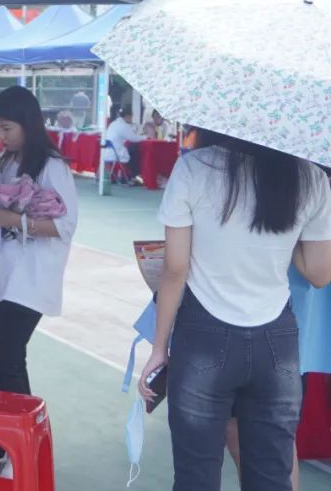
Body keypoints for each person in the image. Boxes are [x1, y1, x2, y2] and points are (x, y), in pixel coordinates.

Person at [138, 129, 331, 491]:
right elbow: (320, 274)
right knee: (272, 473)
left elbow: (175, 268)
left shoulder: (194, 168)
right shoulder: (311, 177)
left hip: (202, 337)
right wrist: (285, 235)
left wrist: (159, 348)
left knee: (196, 475)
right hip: (277, 340)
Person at [0, 85, 78, 472]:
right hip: (0, 274)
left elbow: (65, 226)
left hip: (30, 279)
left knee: (5, 356)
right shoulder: (8, 161)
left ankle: (18, 445)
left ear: (28, 123)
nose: (1, 135)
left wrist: (14, 220)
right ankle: (5, 442)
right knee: (3, 360)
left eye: (7, 127)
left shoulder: (53, 167)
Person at [104, 106, 145, 183]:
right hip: (116, 153)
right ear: (128, 116)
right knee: (134, 153)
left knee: (131, 150)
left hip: (107, 152)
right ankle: (130, 176)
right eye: (131, 117)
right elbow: (133, 138)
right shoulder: (123, 126)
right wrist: (145, 137)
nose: (131, 119)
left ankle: (126, 176)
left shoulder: (113, 124)